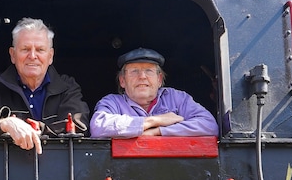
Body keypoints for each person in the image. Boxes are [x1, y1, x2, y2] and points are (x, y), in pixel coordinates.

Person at [0, 18, 90, 154]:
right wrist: (4, 124)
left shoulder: (68, 87)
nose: (33, 56)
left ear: (50, 56)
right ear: (12, 55)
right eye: (25, 49)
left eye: (40, 49)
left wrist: (31, 128)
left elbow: (78, 126)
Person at [89, 47, 219, 138]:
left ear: (159, 79)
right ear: (122, 81)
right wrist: (155, 120)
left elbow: (209, 126)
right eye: (134, 71)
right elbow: (98, 127)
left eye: (149, 71)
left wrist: (157, 131)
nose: (142, 76)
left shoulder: (177, 98)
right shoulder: (111, 102)